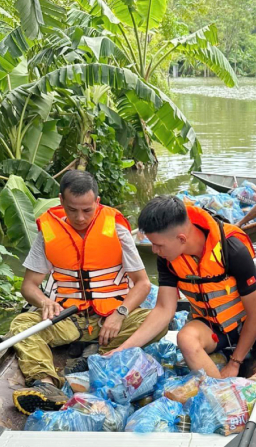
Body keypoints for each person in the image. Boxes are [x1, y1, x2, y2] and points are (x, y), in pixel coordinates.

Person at [114, 195, 256, 381]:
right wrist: (123, 349)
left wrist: (235, 362)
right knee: (185, 338)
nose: (155, 250)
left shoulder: (232, 249)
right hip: (213, 330)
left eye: (158, 245)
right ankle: (223, 390)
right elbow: (163, 310)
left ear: (181, 239)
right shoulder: (168, 259)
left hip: (251, 324)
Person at [10, 170, 153, 415]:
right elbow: (29, 286)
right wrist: (44, 301)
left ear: (97, 202)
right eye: (72, 209)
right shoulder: (49, 231)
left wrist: (120, 313)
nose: (80, 217)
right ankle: (46, 384)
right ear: (61, 201)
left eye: (87, 210)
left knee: (154, 320)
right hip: (68, 318)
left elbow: (143, 283)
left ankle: (96, 357)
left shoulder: (115, 227)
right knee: (23, 324)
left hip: (112, 319)